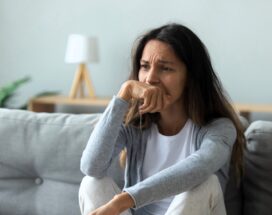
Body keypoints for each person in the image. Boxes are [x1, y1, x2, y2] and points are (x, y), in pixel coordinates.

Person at [79, 23, 246, 215]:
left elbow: (196, 169)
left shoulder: (219, 129)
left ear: (191, 76)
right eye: (144, 66)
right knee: (91, 182)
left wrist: (123, 201)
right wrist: (124, 94)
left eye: (165, 68)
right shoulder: (134, 124)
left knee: (206, 183)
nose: (150, 79)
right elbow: (91, 166)